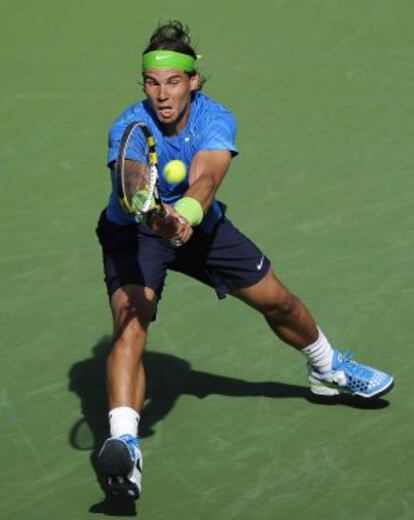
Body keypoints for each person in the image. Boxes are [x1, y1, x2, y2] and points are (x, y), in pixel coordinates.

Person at [95, 20, 393, 500]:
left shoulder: (216, 118)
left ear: (193, 81)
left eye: (173, 82)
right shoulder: (128, 127)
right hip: (133, 235)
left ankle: (326, 367)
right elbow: (131, 182)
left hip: (200, 227)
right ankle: (125, 446)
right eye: (152, 83)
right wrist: (156, 219)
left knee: (280, 302)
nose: (162, 95)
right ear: (143, 85)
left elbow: (207, 179)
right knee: (131, 326)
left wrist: (184, 215)